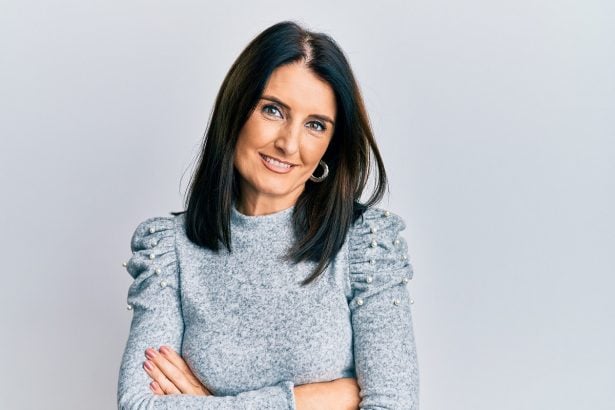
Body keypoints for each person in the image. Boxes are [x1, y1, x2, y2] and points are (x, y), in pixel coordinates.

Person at [117, 20, 419, 409]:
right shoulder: (168, 250)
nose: (289, 144)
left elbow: (394, 404)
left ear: (330, 145)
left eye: (315, 125)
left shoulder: (367, 246)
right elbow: (138, 405)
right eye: (273, 110)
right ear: (236, 110)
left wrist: (207, 402)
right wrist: (315, 400)